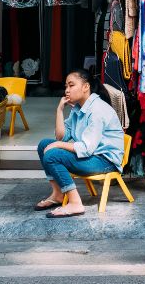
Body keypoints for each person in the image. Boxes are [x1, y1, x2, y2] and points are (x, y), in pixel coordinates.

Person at [33, 68, 125, 218]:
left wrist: (58, 146)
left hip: (104, 160)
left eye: (71, 85)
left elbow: (86, 148)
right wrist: (59, 110)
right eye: (66, 86)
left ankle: (75, 203)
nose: (67, 90)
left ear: (85, 87)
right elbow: (61, 137)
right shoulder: (79, 108)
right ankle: (58, 194)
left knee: (52, 154)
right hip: (91, 156)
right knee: (44, 144)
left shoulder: (97, 110)